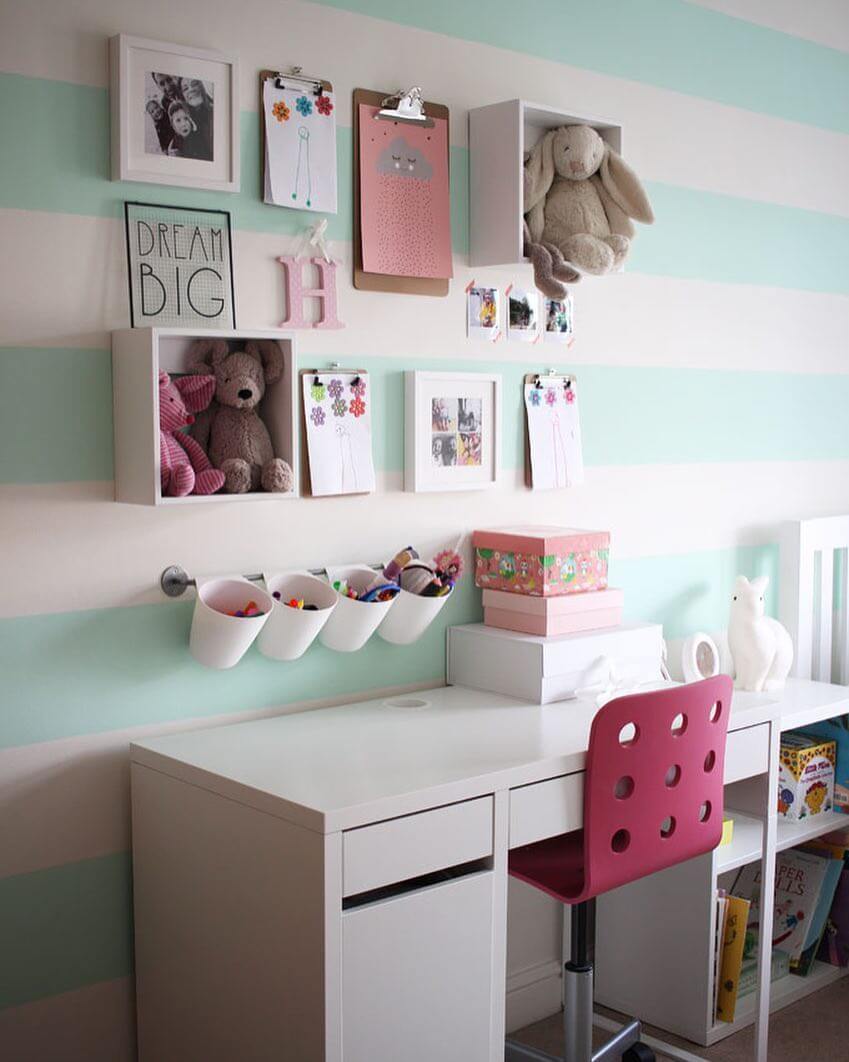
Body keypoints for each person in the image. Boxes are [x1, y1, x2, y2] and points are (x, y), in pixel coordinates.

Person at [180, 77, 214, 160]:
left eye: (194, 84)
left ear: (202, 86)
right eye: (185, 88)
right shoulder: (186, 120)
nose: (191, 90)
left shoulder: (215, 112)